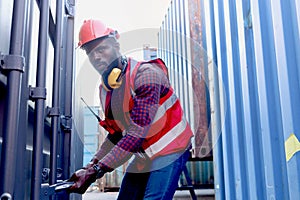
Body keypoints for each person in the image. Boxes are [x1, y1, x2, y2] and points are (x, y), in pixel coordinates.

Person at [68, 19, 194, 200]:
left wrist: (97, 171)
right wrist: (91, 165)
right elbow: (116, 134)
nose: (96, 57)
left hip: (171, 148)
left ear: (116, 45)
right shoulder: (106, 90)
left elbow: (136, 133)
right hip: (146, 153)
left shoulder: (147, 75)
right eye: (90, 53)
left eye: (101, 49)